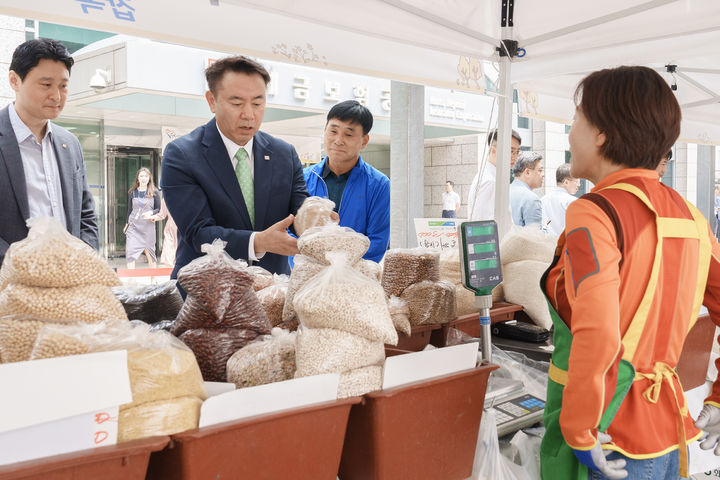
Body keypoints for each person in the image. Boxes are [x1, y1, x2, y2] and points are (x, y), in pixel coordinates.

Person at [540, 65, 720, 480]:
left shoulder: (592, 213)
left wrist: (582, 428)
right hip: (667, 430)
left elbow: (599, 328)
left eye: (576, 121)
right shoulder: (692, 217)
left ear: (601, 132)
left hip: (607, 433)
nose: (570, 134)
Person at [161, 55, 308, 284]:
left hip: (272, 293)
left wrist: (315, 220)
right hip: (205, 294)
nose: (249, 114)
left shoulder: (284, 154)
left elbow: (300, 210)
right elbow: (198, 233)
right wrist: (258, 241)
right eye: (237, 103)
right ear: (212, 101)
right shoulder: (182, 155)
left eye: (258, 103)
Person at [0, 38, 98, 264]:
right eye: (46, 85)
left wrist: (85, 258)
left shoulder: (70, 143)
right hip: (10, 284)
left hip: (67, 282)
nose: (56, 96)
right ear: (15, 80)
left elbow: (86, 214)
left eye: (63, 86)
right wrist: (23, 267)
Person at [303, 100, 389, 262]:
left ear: (364, 141)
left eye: (348, 134)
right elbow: (291, 230)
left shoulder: (379, 185)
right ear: (325, 130)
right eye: (333, 131)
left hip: (354, 281)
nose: (338, 140)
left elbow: (377, 241)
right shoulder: (303, 178)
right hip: (307, 275)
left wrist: (342, 271)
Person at [466, 128, 522, 220]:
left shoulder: (491, 177)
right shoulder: (490, 181)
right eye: (511, 151)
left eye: (517, 152)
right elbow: (482, 225)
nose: (515, 157)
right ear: (493, 151)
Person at [125, 167, 161, 269]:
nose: (143, 178)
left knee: (150, 253)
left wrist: (151, 212)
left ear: (149, 178)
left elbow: (159, 209)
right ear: (137, 178)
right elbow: (129, 210)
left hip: (148, 227)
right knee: (130, 252)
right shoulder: (132, 192)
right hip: (133, 227)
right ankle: (131, 279)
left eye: (146, 176)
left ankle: (153, 279)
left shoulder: (155, 192)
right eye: (141, 176)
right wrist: (126, 224)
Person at [541, 163, 579, 235]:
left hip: (546, 244)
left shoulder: (542, 200)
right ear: (566, 182)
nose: (579, 185)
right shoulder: (572, 201)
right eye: (576, 181)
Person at [509, 151, 544, 227]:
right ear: (527, 172)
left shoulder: (504, 192)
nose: (543, 175)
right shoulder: (531, 199)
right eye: (540, 170)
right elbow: (535, 237)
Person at [152, 198, 178, 267]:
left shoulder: (166, 198)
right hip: (176, 226)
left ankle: (171, 268)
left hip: (174, 225)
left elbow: (162, 215)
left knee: (171, 246)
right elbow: (162, 214)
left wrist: (152, 217)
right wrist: (152, 217)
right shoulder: (184, 195)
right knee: (171, 246)